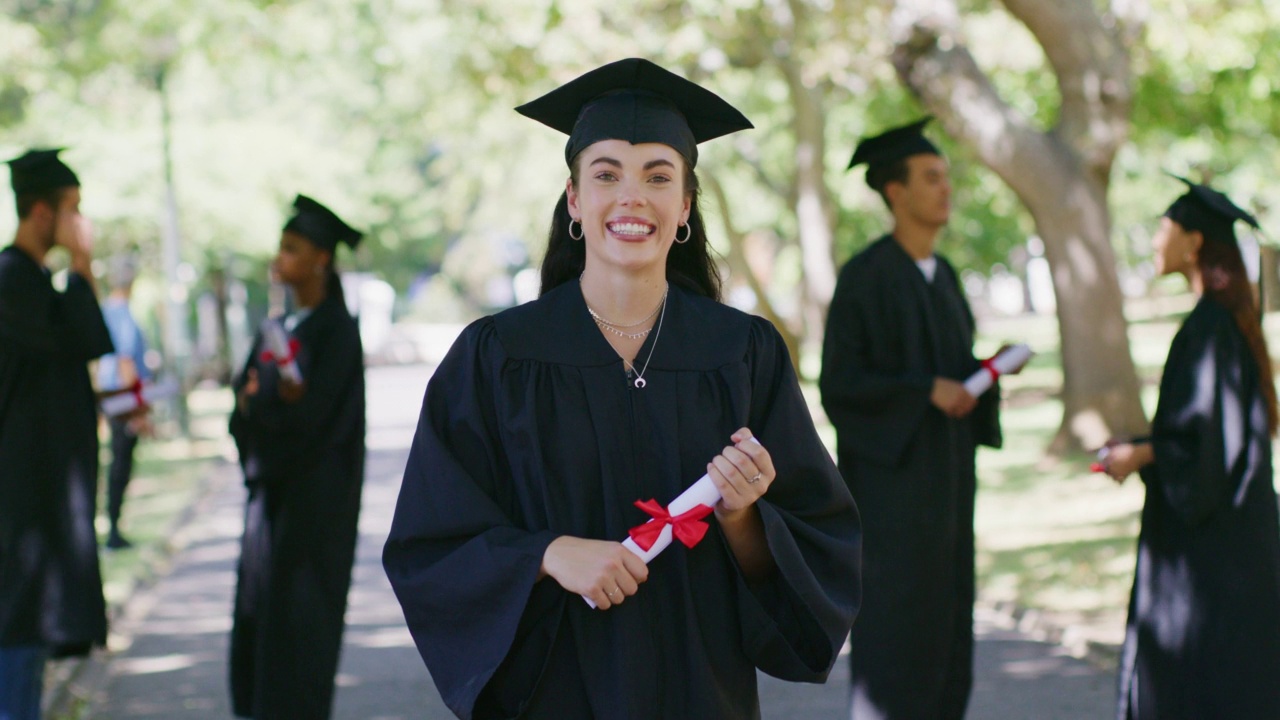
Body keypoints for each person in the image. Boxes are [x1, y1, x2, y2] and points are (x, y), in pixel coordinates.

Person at [383, 58, 862, 720]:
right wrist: (548, 554)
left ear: (685, 206)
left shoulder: (742, 354)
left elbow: (819, 547)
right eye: (606, 174)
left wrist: (742, 514)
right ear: (576, 200)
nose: (632, 197)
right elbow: (430, 542)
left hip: (702, 692)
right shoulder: (497, 357)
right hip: (553, 694)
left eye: (658, 177)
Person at [820, 117, 1015, 719]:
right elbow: (841, 387)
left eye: (947, 178)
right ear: (896, 192)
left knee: (951, 621)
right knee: (899, 632)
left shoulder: (945, 276)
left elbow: (952, 371)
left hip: (952, 484)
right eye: (931, 178)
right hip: (893, 499)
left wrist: (983, 375)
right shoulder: (865, 278)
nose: (945, 190)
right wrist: (923, 390)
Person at [1099, 178, 1280, 720]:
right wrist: (1143, 448)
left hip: (1213, 555)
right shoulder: (1222, 324)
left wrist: (1142, 455)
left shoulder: (1209, 330)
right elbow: (1200, 435)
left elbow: (1205, 450)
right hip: (1237, 540)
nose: (1155, 242)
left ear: (1194, 242)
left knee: (1206, 687)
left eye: (1164, 229)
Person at [228, 195, 366, 719]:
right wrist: (260, 408)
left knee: (299, 640)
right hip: (269, 507)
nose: (278, 259)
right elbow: (240, 405)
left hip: (313, 516)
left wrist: (267, 409)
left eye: (292, 249)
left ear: (321, 260)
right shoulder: (279, 327)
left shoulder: (336, 332)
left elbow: (315, 425)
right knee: (259, 629)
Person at [0, 148, 113, 718]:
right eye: (73, 209)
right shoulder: (10, 281)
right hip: (17, 504)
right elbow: (80, 337)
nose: (80, 223)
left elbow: (78, 343)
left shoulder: (35, 281)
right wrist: (85, 262)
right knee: (16, 639)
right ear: (42, 211)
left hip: (39, 497)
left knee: (30, 637)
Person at [96, 255, 152, 550]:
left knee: (113, 464)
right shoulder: (123, 316)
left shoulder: (104, 312)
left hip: (107, 398)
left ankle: (113, 528)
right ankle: (114, 531)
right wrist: (136, 409)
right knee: (120, 464)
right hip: (122, 400)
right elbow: (126, 361)